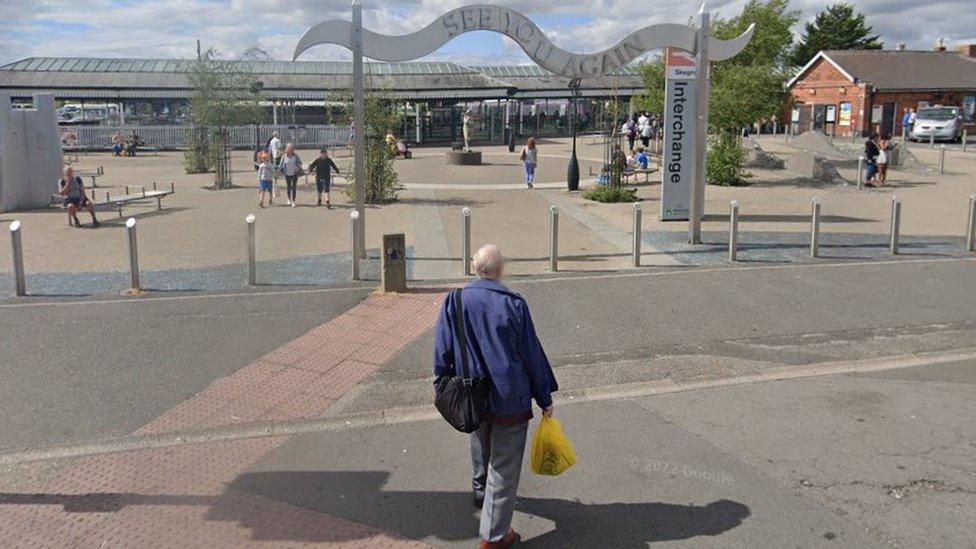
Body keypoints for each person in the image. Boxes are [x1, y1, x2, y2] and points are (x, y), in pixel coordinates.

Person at [433, 244, 557, 549]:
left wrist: (442, 382)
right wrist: (544, 396)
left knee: (480, 440)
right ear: (499, 270)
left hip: (470, 392)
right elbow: (531, 355)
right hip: (508, 398)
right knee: (504, 465)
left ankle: (480, 491)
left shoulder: (456, 300)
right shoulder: (513, 304)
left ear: (475, 267)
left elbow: (443, 348)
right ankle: (494, 537)